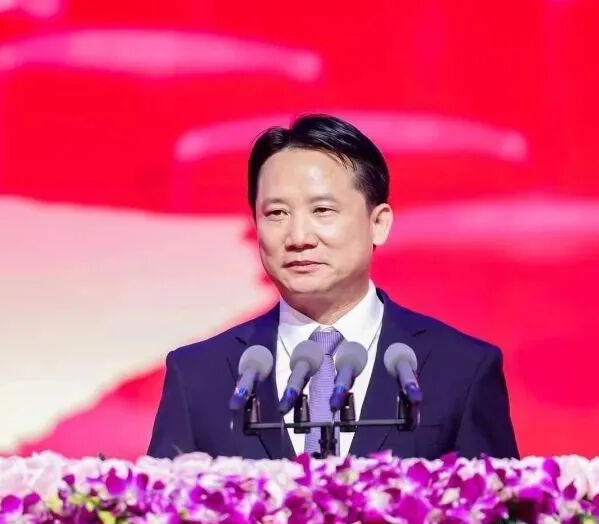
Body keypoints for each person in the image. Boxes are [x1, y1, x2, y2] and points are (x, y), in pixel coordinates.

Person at [148, 113, 518, 460]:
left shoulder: (461, 368)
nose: (298, 237)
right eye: (276, 213)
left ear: (378, 223)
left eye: (322, 211)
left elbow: (498, 504)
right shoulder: (199, 375)